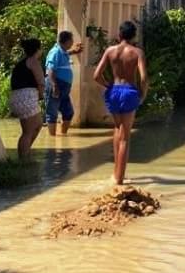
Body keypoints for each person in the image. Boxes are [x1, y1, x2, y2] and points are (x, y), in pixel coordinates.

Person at [93, 20, 149, 185]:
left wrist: (108, 85)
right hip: (129, 92)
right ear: (133, 36)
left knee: (117, 130)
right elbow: (144, 77)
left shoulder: (110, 51)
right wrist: (143, 93)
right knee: (125, 136)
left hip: (113, 91)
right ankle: (120, 179)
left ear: (119, 35)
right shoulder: (137, 52)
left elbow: (96, 75)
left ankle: (115, 173)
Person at [8, 38, 45, 160]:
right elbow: (41, 82)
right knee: (28, 131)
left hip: (17, 97)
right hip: (27, 97)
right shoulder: (34, 61)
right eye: (41, 48)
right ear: (37, 50)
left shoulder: (22, 63)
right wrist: (41, 95)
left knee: (38, 124)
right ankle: (23, 159)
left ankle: (26, 153)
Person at [43, 31, 83, 136]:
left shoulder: (62, 52)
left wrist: (74, 52)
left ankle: (63, 135)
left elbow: (65, 54)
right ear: (68, 41)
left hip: (64, 89)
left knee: (69, 112)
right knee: (52, 112)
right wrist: (54, 85)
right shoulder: (55, 52)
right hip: (56, 85)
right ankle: (52, 139)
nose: (73, 42)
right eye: (72, 40)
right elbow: (50, 70)